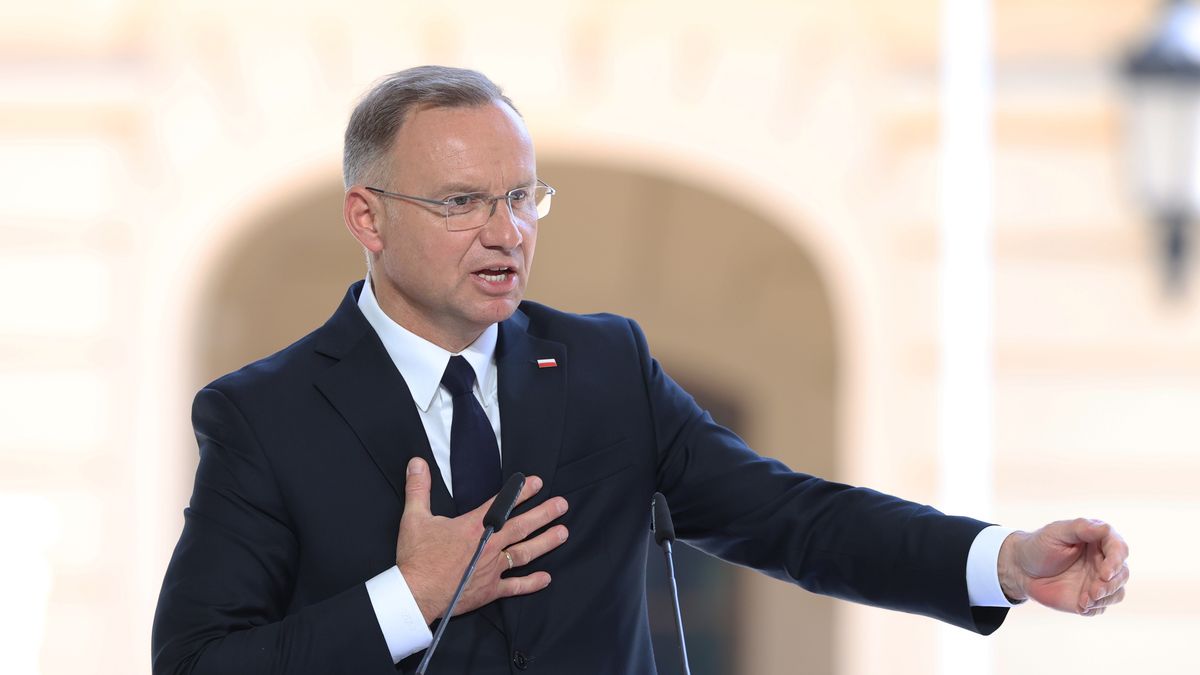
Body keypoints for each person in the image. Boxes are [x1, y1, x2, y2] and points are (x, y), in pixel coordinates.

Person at [151, 66, 1130, 674]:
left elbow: (793, 518)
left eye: (523, 198)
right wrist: (407, 598)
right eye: (461, 203)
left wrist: (1000, 560)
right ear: (367, 217)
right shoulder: (263, 415)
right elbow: (198, 664)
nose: (506, 234)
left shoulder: (604, 366)